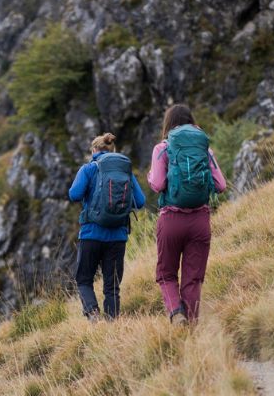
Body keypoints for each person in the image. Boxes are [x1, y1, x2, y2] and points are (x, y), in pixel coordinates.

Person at [147, 104, 226, 324]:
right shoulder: (204, 149)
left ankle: (176, 313)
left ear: (168, 124)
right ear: (191, 121)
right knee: (193, 279)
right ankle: (191, 328)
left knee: (166, 274)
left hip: (171, 220)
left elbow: (158, 183)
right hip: (200, 220)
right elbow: (221, 185)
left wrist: (149, 176)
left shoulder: (162, 148)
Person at [69, 133, 146, 322]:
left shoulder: (89, 168)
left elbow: (74, 194)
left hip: (91, 234)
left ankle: (93, 313)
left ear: (94, 151)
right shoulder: (125, 170)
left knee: (84, 280)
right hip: (118, 237)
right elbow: (141, 201)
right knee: (112, 287)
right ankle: (112, 326)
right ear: (112, 150)